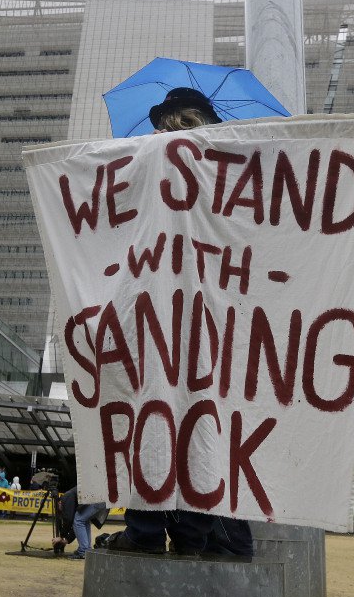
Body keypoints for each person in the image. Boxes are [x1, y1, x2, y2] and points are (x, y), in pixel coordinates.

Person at [104, 87, 252, 558]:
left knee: (181, 420)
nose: (174, 130)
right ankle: (168, 534)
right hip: (180, 314)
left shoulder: (206, 171)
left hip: (185, 315)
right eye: (172, 123)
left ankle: (173, 533)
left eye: (184, 122)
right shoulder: (155, 167)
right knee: (176, 421)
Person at [51, 486, 108, 560]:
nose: (62, 512)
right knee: (83, 520)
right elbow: (77, 528)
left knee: (78, 520)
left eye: (60, 510)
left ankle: (83, 551)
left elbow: (69, 520)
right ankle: (87, 549)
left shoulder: (66, 497)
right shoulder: (71, 497)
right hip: (100, 497)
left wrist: (61, 536)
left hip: (96, 498)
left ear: (59, 503)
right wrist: (66, 540)